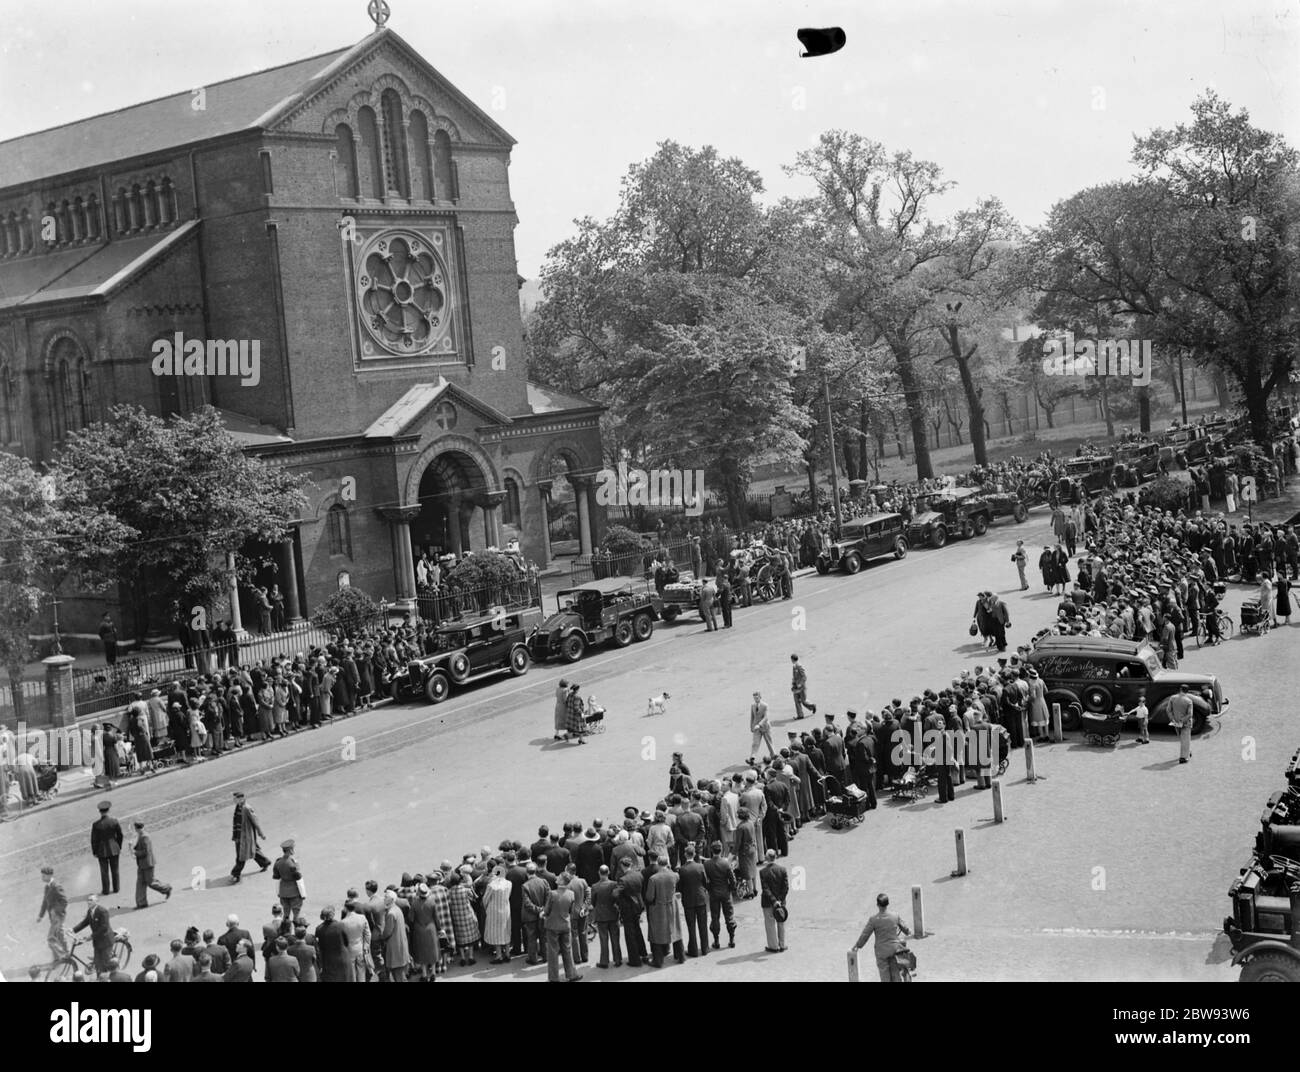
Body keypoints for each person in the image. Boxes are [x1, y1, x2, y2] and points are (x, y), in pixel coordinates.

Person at [853, 893, 912, 982]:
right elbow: (905, 928)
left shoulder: (874, 919)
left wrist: (857, 945)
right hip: (895, 949)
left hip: (881, 952)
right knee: (896, 974)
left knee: (885, 976)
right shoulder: (895, 915)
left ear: (877, 905)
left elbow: (865, 935)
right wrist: (908, 931)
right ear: (888, 904)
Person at [542, 873, 582, 982]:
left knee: (553, 952)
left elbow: (546, 910)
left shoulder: (552, 894)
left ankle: (554, 977)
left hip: (553, 925)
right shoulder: (571, 894)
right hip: (565, 924)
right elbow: (571, 910)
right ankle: (572, 974)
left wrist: (543, 914)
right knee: (567, 950)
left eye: (559, 877)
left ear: (562, 881)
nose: (557, 878)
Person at [642, 854, 678, 967]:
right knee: (672, 928)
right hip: (671, 905)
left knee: (656, 931)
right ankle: (672, 951)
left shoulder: (654, 878)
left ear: (658, 863)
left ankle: (658, 958)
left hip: (657, 907)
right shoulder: (674, 875)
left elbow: (649, 897)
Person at [230, 791, 271, 882]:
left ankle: (236, 874)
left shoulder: (247, 808)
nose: (233, 800)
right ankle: (265, 862)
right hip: (239, 835)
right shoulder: (238, 807)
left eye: (235, 798)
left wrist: (261, 834)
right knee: (253, 850)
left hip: (246, 836)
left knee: (241, 855)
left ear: (241, 799)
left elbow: (255, 822)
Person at [131, 820, 172, 909]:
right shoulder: (141, 835)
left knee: (151, 882)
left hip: (147, 863)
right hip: (142, 864)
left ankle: (166, 888)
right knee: (140, 883)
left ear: (137, 828)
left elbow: (146, 851)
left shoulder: (145, 837)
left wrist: (135, 852)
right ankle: (141, 903)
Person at [72, 894, 115, 974]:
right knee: (97, 963)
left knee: (105, 964)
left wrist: (91, 936)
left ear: (96, 902)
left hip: (106, 941)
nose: (88, 902)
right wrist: (73, 930)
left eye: (91, 900)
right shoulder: (90, 911)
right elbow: (85, 922)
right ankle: (100, 977)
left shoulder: (102, 911)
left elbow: (104, 928)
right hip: (97, 942)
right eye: (88, 900)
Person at [590, 864, 622, 968]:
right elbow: (617, 898)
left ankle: (604, 961)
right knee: (615, 938)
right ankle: (617, 959)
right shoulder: (614, 884)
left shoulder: (595, 886)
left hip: (601, 915)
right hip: (613, 913)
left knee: (603, 939)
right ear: (608, 872)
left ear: (599, 873)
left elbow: (593, 902)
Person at [759, 849, 789, 953]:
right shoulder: (782, 870)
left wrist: (773, 901)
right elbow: (785, 887)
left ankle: (773, 946)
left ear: (767, 858)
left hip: (768, 902)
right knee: (781, 921)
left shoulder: (763, 872)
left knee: (770, 924)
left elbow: (765, 888)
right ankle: (782, 944)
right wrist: (779, 900)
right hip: (781, 903)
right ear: (775, 857)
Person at [90, 799, 123, 896]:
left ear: (100, 812)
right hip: (114, 848)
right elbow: (120, 835)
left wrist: (95, 851)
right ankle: (116, 888)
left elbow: (94, 840)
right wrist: (118, 846)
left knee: (104, 871)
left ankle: (106, 890)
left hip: (102, 850)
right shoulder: (114, 821)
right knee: (115, 869)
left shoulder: (96, 825)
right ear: (108, 810)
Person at [37, 865, 69, 961]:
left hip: (58, 916)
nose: (42, 878)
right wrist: (40, 915)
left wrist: (56, 911)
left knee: (51, 938)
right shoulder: (47, 887)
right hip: (53, 916)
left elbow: (64, 901)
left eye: (44, 876)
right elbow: (45, 902)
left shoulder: (56, 886)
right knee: (59, 935)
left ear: (50, 875)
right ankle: (61, 955)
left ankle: (63, 955)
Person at [272, 839, 303, 918]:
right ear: (290, 850)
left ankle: (285, 929)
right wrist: (303, 893)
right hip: (294, 892)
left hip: (283, 892)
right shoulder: (292, 863)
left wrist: (278, 892)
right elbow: (298, 878)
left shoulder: (278, 862)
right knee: (296, 915)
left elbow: (276, 878)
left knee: (285, 915)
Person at [1169, 683, 1195, 764]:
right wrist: (1182, 720)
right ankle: (1183, 757)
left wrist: (1173, 719)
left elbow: (1168, 710)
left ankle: (1188, 751)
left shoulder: (1172, 698)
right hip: (1185, 723)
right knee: (1185, 739)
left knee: (1182, 739)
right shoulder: (1189, 701)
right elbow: (1190, 714)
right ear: (1187, 691)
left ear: (1180, 689)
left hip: (1175, 722)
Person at [749, 691, 775, 763]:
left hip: (765, 726)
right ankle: (752, 758)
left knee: (769, 741)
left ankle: (773, 755)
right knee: (755, 743)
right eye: (754, 698)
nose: (755, 699)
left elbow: (766, 717)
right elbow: (752, 717)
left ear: (760, 697)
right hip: (756, 728)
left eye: (757, 698)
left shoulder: (765, 705)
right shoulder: (753, 705)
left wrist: (759, 725)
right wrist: (751, 726)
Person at [790, 653, 817, 719]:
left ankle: (812, 706)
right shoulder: (794, 666)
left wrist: (800, 684)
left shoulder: (799, 666)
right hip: (796, 687)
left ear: (792, 659)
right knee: (796, 701)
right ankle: (800, 715)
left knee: (803, 700)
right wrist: (793, 683)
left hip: (801, 687)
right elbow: (795, 677)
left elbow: (804, 677)